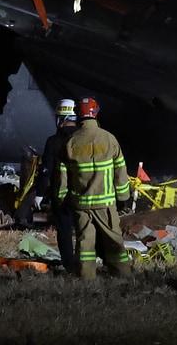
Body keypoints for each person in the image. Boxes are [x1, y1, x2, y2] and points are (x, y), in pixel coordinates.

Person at [57, 97, 131, 279]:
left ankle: (86, 277)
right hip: (105, 204)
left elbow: (62, 177)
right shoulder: (109, 139)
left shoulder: (70, 142)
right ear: (96, 113)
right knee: (114, 241)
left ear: (78, 115)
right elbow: (120, 171)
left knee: (84, 244)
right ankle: (123, 275)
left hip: (81, 205)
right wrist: (123, 197)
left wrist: (61, 199)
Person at [35, 99, 78, 272]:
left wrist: (39, 193)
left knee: (65, 230)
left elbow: (46, 170)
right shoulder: (85, 139)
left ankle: (69, 264)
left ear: (61, 118)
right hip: (86, 192)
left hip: (61, 194)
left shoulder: (53, 141)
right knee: (85, 230)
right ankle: (86, 264)